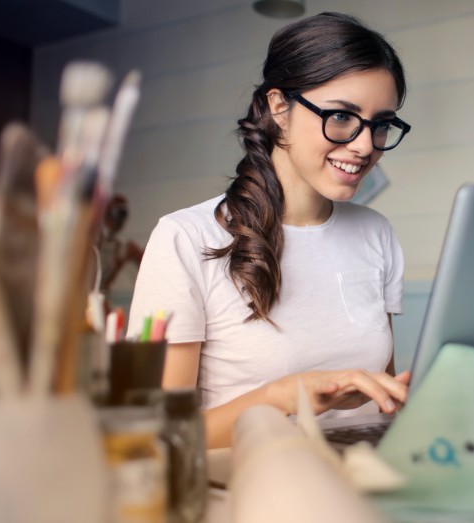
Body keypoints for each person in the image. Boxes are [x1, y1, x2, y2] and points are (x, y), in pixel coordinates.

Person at [127, 12, 413, 448]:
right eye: (341, 117)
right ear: (280, 107)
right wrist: (283, 397)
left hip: (363, 480)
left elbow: (382, 395)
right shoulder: (185, 238)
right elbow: (159, 435)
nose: (365, 145)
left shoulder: (376, 233)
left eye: (381, 124)